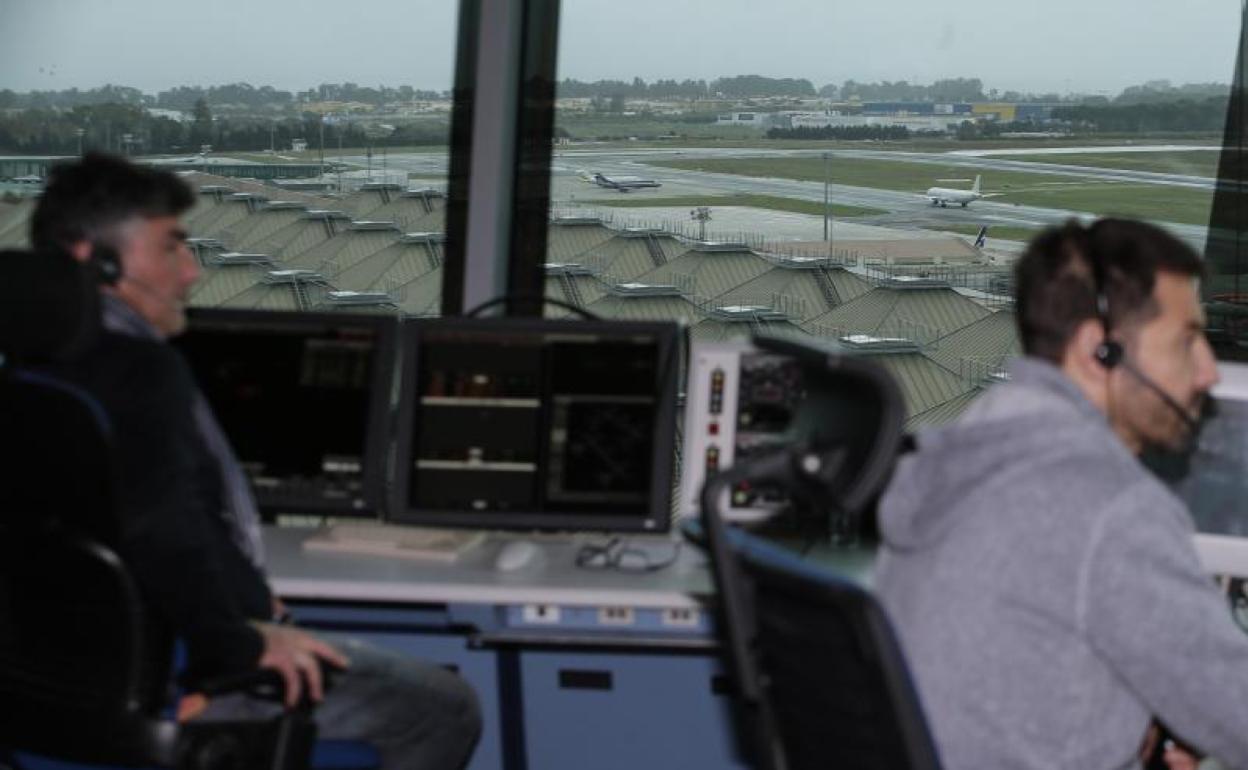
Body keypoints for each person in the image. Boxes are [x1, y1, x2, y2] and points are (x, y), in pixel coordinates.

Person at [29, 152, 481, 769]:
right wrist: (240, 646)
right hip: (171, 686)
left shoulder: (33, 370)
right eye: (170, 247)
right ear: (95, 259)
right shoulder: (137, 370)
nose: (191, 271)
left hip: (59, 694)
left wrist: (250, 606)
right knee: (446, 706)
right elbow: (162, 531)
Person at [873, 218, 1248, 770]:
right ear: (1100, 351)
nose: (1208, 372)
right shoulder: (1109, 507)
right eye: (1187, 341)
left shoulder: (954, 456)